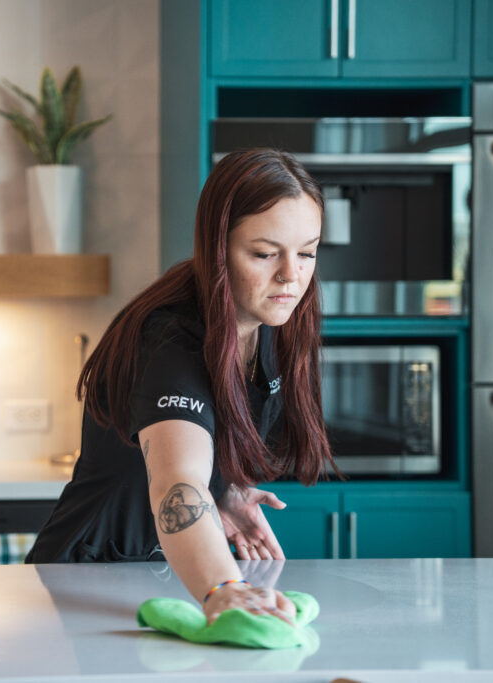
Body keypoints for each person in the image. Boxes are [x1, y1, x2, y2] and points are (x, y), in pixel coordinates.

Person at [25, 148, 338, 625]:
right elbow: (177, 480)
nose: (291, 275)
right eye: (264, 253)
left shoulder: (265, 321)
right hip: (88, 579)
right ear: (217, 247)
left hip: (166, 577)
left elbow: (203, 450)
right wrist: (225, 588)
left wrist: (224, 491)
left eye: (307, 252)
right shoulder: (169, 337)